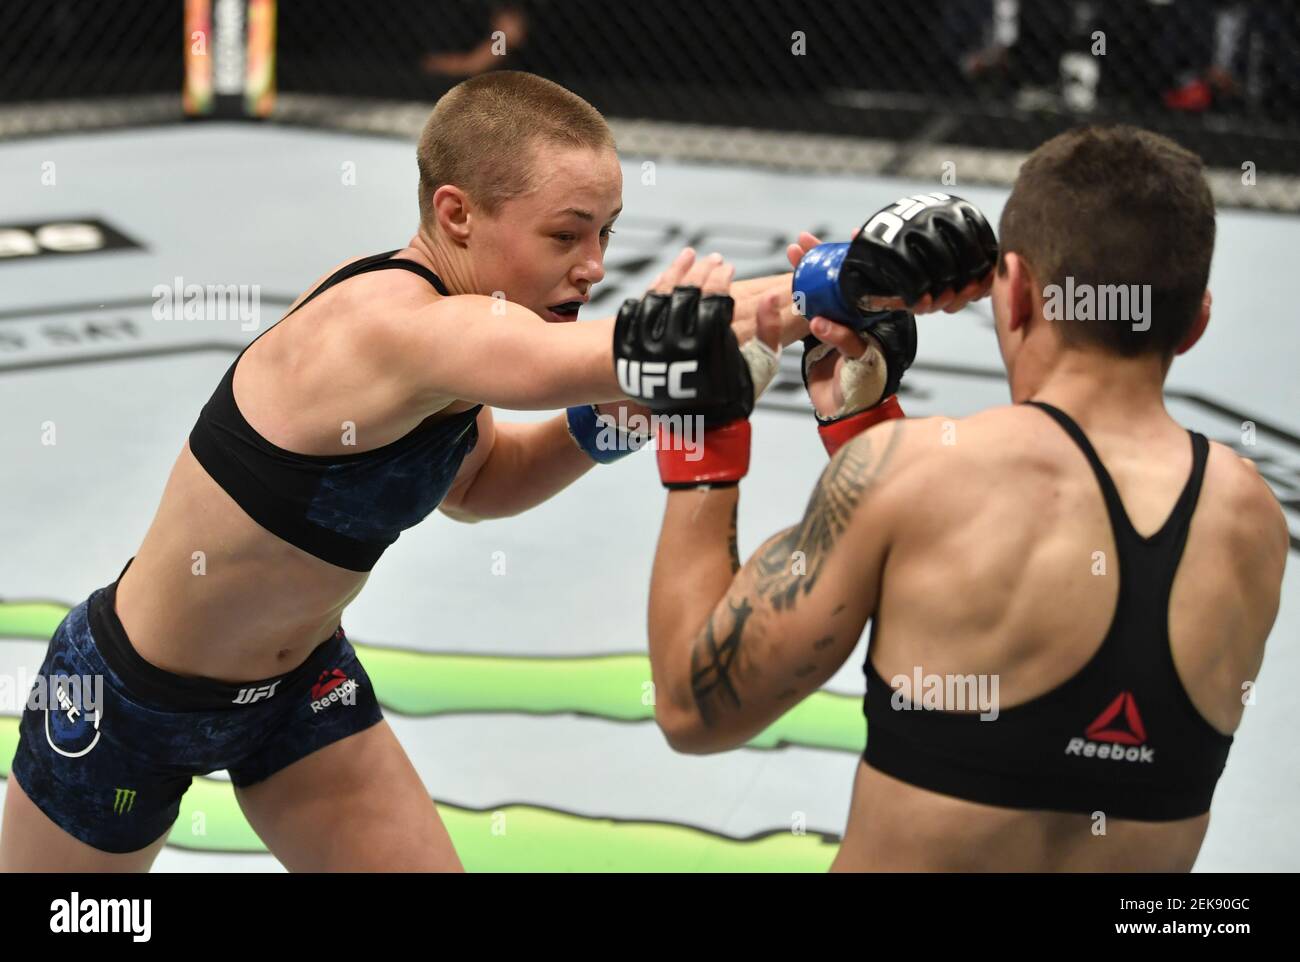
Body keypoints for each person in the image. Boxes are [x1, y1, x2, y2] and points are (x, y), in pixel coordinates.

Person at [0, 70, 803, 873]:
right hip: (128, 705)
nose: (593, 267)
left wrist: (657, 398)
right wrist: (832, 289)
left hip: (298, 695)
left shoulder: (457, 337)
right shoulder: (395, 329)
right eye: (566, 236)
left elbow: (487, 482)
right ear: (456, 213)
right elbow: (595, 354)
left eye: (607, 235)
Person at [626, 125, 1288, 871]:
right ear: (1196, 321)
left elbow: (692, 707)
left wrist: (702, 430)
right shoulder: (1250, 516)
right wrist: (864, 422)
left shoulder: (910, 476)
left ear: (1017, 294)